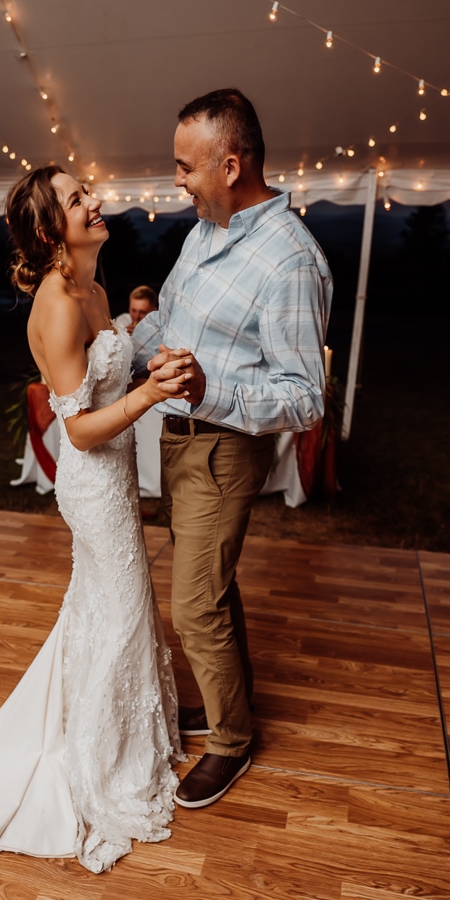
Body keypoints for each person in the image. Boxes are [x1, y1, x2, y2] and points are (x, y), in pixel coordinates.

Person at [0, 165, 193, 873]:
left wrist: (147, 373)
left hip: (112, 474)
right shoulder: (56, 302)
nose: (95, 201)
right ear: (51, 231)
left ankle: (121, 735)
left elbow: (105, 385)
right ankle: (99, 762)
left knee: (112, 606)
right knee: (120, 608)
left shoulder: (97, 289)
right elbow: (76, 431)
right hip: (92, 479)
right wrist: (145, 400)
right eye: (78, 199)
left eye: (88, 191)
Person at [132, 88, 333, 809]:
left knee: (190, 607)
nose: (177, 181)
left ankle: (230, 743)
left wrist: (210, 389)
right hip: (181, 442)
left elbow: (305, 397)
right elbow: (174, 329)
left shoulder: (290, 261)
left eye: (186, 167)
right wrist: (124, 335)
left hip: (223, 450)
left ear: (230, 161)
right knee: (208, 591)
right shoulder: (204, 232)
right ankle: (230, 706)